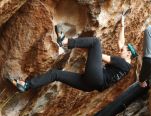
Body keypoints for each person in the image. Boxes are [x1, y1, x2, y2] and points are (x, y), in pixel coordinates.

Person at [9, 15, 138, 92]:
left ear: (128, 55)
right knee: (56, 74)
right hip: (89, 85)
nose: (121, 49)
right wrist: (122, 25)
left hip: (96, 77)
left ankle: (64, 41)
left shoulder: (121, 62)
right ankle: (26, 86)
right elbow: (121, 42)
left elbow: (99, 56)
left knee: (95, 43)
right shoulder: (125, 66)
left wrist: (89, 50)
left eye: (124, 50)